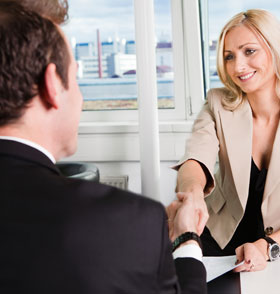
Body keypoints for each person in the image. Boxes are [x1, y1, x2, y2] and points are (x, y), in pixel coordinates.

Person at [0, 2, 207, 293]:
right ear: (52, 85)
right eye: (76, 79)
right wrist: (186, 241)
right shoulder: (127, 222)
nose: (81, 98)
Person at [169, 8, 280, 273]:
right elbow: (196, 156)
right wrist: (193, 194)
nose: (238, 66)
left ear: (274, 49)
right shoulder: (219, 103)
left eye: (249, 51)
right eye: (229, 56)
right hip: (219, 234)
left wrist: (268, 245)